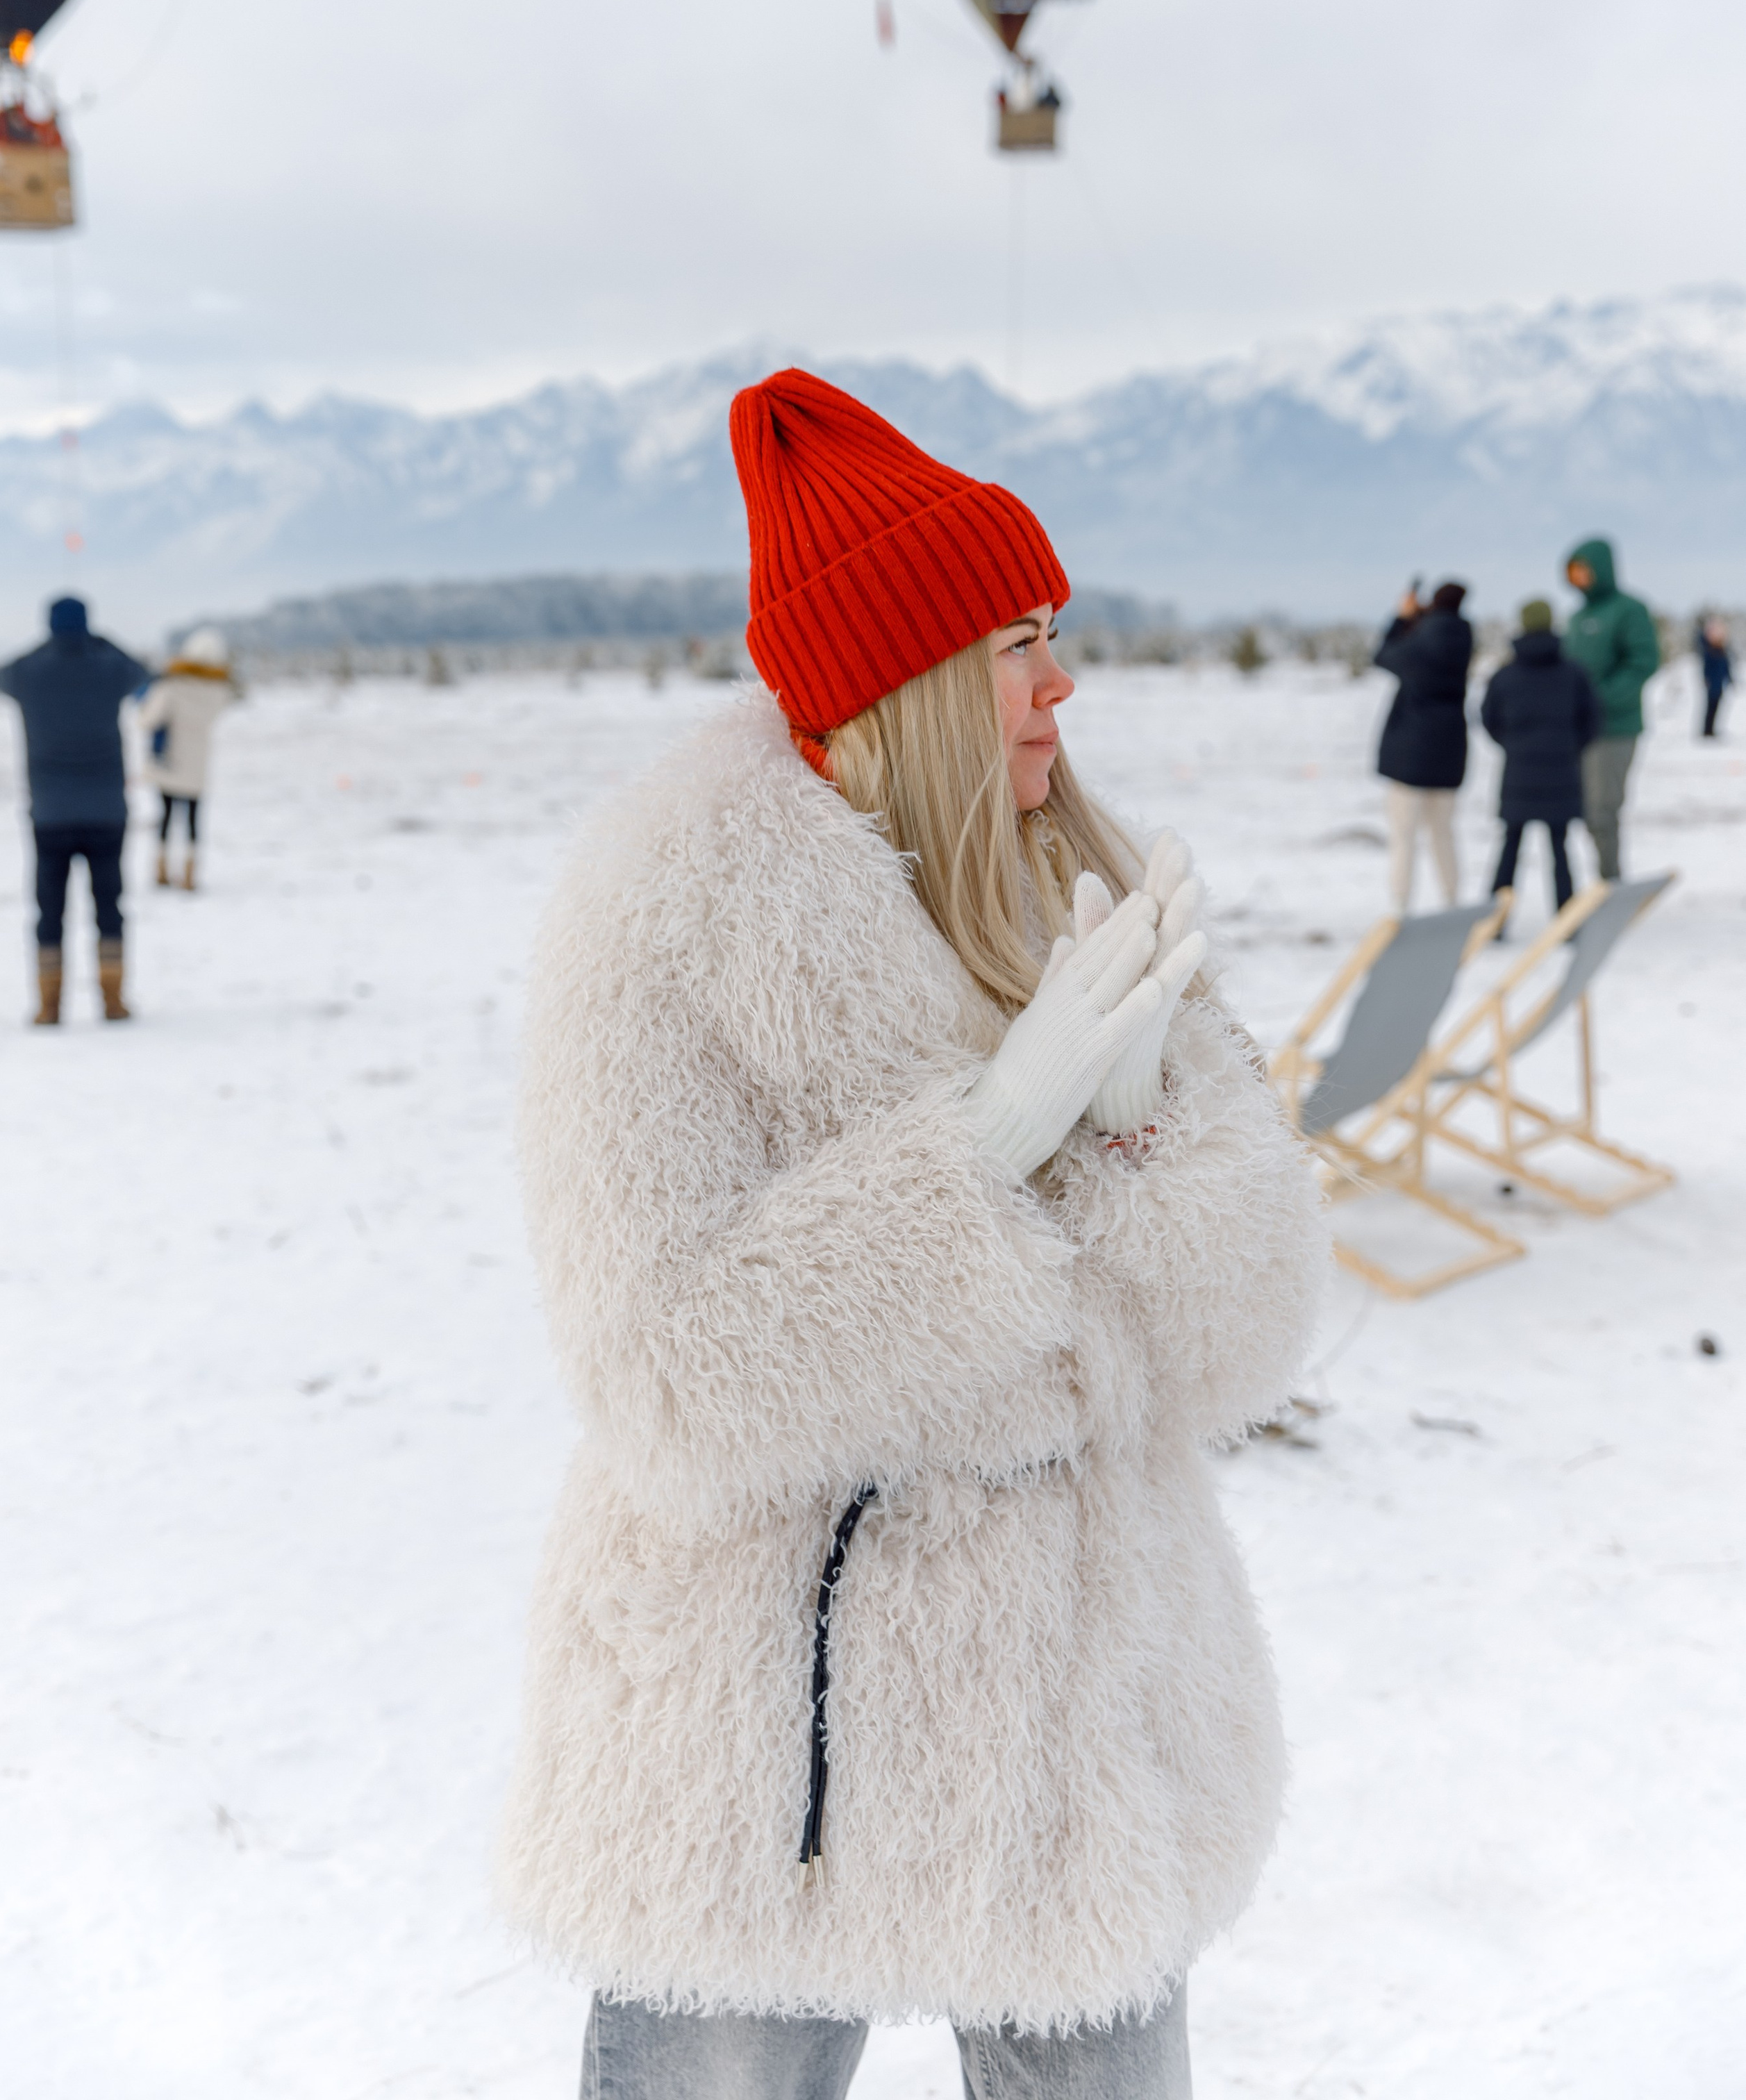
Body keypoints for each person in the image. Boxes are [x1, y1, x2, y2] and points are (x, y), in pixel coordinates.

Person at [500, 369, 1324, 2099]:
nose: (1060, 682)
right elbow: (664, 1372)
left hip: (1075, 1720)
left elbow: (1243, 1344)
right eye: (1016, 641)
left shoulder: (1079, 882)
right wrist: (985, 1150)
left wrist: (1143, 1123)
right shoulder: (662, 919)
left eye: (1052, 631)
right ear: (910, 679)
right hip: (759, 1740)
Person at [0, 595, 150, 1024]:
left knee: (49, 910)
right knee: (110, 906)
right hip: (106, 813)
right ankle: (113, 1000)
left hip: (49, 814)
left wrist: (51, 646)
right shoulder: (108, 668)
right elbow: (142, 672)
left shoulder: (30, 672)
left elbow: (0, 673)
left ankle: (49, 1006)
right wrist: (100, 642)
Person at [1479, 599, 1601, 915]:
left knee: (1510, 848)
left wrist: (1515, 746)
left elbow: (1489, 720)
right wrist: (1568, 748)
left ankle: (1495, 921)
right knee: (1561, 849)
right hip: (1562, 773)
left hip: (1518, 774)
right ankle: (1566, 919)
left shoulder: (1504, 676)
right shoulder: (1574, 674)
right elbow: (1592, 721)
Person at [1372, 579, 1474, 912]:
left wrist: (1402, 618)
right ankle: (1452, 901)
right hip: (1449, 750)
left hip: (1410, 754)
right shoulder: (1463, 636)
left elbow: (1384, 656)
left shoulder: (1423, 638)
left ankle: (1400, 908)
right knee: (1443, 833)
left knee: (1404, 837)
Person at [1561, 539, 1659, 880]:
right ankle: (1602, 881)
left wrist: (1602, 697)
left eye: (1583, 570)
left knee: (1603, 810)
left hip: (1616, 727)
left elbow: (1644, 661)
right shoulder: (1577, 618)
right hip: (1580, 729)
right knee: (1586, 811)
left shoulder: (1628, 609)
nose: (1579, 578)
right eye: (1573, 572)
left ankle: (1610, 881)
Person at [138, 625, 237, 888]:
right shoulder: (220, 692)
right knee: (194, 819)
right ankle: (191, 872)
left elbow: (147, 720)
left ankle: (161, 867)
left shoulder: (171, 686)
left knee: (166, 815)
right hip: (198, 763)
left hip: (169, 762)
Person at [1697, 615, 1733, 740]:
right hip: (1712, 684)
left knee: (1716, 707)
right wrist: (1706, 679)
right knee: (1710, 707)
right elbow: (1706, 668)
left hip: (1720, 684)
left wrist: (1730, 679)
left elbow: (1726, 667)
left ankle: (1711, 730)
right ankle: (1707, 731)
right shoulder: (1710, 651)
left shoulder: (1722, 651)